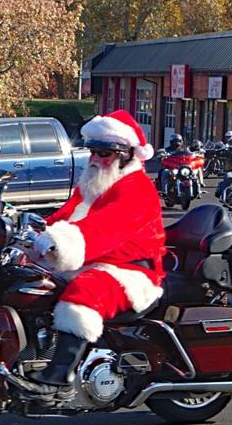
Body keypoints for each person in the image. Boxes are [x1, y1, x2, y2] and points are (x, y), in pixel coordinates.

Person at [28, 110, 164, 390]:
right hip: (94, 261)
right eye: (92, 151)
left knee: (86, 291)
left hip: (130, 272)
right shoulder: (93, 186)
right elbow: (66, 216)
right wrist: (32, 231)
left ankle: (58, 376)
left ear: (127, 155)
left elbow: (104, 230)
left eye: (104, 153)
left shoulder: (137, 189)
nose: (95, 159)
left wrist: (57, 242)